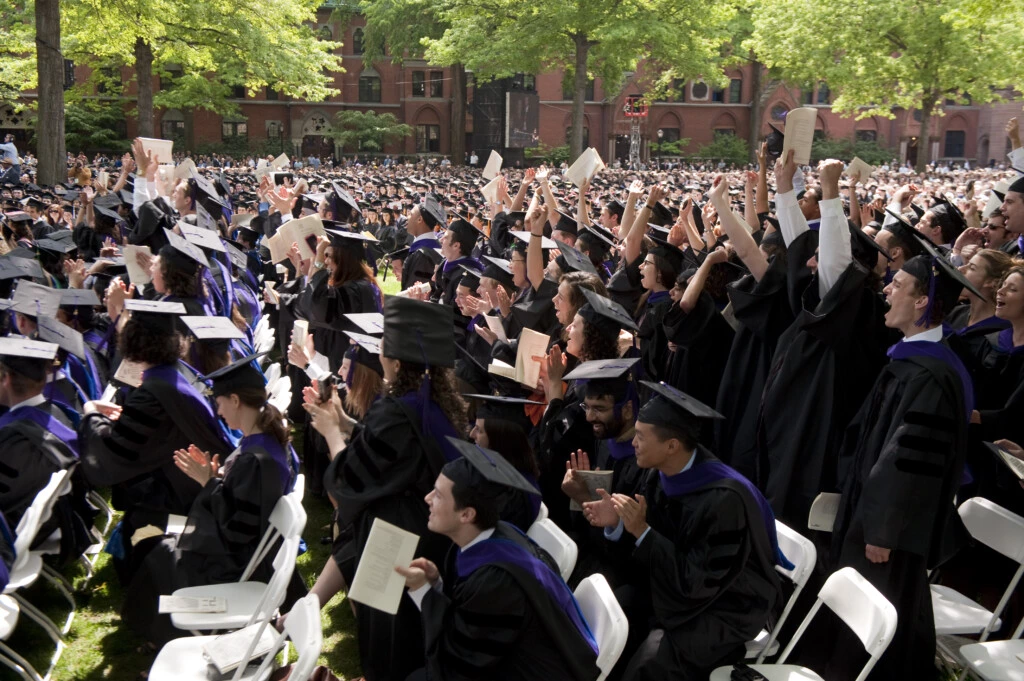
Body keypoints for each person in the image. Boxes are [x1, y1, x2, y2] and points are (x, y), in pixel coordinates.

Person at [826, 242, 981, 681]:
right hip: (873, 514)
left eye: (897, 285)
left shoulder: (933, 373)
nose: (887, 292)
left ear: (922, 301)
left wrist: (884, 529)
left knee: (884, 621)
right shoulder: (909, 358)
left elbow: (910, 460)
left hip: (888, 531)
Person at [583, 381, 785, 681]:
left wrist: (642, 532)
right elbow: (652, 553)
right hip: (679, 587)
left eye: (640, 436)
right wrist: (617, 524)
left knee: (654, 657)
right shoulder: (661, 474)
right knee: (619, 604)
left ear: (672, 446)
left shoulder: (723, 500)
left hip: (728, 604)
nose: (633, 443)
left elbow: (698, 583)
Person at [312, 296, 467, 681]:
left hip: (398, 545)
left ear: (396, 363)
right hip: (431, 537)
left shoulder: (395, 411)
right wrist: (347, 423)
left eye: (383, 348)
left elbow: (345, 483)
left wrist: (332, 433)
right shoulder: (435, 404)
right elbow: (394, 454)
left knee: (390, 652)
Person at [121, 353, 301, 646]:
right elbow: (242, 507)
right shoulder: (267, 442)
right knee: (161, 543)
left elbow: (237, 531)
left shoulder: (256, 458)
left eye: (218, 402)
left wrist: (209, 482)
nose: (217, 411)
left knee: (160, 551)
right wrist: (216, 480)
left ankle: (171, 641)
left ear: (235, 400)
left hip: (241, 563)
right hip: (253, 551)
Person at [397, 438, 601, 681]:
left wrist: (424, 593)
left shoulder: (495, 581)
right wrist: (435, 585)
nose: (427, 498)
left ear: (467, 514)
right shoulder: (497, 534)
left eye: (439, 495)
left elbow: (461, 668)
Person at [78, 300, 233, 582]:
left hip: (186, 495)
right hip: (201, 480)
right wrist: (126, 420)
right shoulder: (178, 373)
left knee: (130, 553)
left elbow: (116, 453)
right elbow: (155, 433)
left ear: (132, 342)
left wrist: (91, 415)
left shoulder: (153, 392)